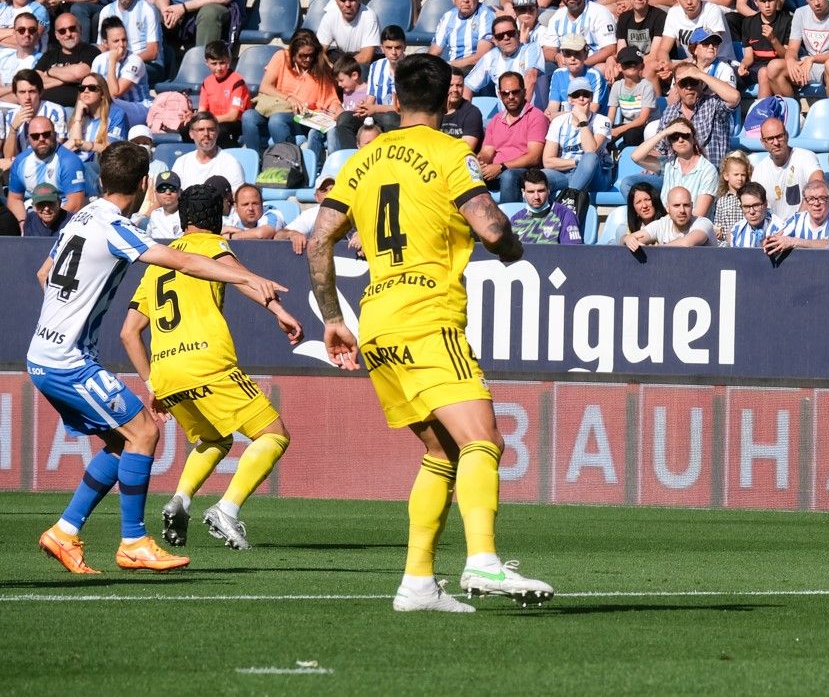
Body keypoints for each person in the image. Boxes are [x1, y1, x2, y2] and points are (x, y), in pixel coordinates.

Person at [305, 53, 555, 611]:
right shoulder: (450, 153)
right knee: (483, 441)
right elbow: (491, 229)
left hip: (376, 323)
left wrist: (332, 319)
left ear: (395, 101)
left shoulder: (363, 160)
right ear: (450, 102)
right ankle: (483, 562)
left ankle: (418, 582)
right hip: (426, 317)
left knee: (441, 452)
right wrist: (515, 249)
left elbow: (319, 239)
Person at [30, 141, 290, 576]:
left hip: (47, 353)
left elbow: (44, 273)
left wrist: (65, 316)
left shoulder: (80, 217)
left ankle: (64, 531)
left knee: (120, 441)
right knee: (145, 432)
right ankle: (133, 541)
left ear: (100, 179)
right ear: (145, 184)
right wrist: (247, 275)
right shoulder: (115, 226)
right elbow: (184, 260)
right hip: (68, 361)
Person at [116, 176, 301, 551]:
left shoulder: (157, 262)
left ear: (184, 218)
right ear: (217, 216)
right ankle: (227, 509)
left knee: (215, 439)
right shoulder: (213, 243)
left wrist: (152, 384)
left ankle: (180, 501)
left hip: (166, 373)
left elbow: (128, 333)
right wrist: (279, 311)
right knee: (274, 434)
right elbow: (242, 279)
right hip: (207, 361)